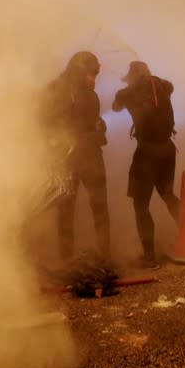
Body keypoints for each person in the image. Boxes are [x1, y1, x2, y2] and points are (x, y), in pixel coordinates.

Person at [41, 51, 111, 261]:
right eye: (91, 74)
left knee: (100, 207)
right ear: (79, 72)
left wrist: (100, 127)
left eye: (95, 75)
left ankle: (105, 256)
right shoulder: (58, 91)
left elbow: (95, 121)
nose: (94, 79)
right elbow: (48, 124)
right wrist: (59, 142)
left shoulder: (91, 95)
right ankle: (66, 259)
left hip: (91, 157)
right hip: (67, 160)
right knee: (65, 210)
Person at [112, 61, 179, 269]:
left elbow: (115, 107)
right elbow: (170, 87)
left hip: (147, 153)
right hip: (168, 150)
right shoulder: (163, 87)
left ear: (131, 76)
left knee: (140, 205)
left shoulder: (128, 93)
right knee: (168, 194)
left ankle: (149, 258)